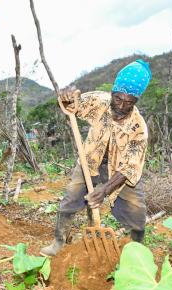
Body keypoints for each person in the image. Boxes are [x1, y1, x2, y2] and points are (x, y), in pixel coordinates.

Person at [40, 59, 152, 257]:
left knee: (136, 211)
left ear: (136, 101)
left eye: (129, 102)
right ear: (113, 93)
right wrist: (68, 96)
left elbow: (130, 167)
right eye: (118, 98)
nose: (122, 105)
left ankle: (136, 252)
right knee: (70, 199)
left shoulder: (139, 128)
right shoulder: (99, 102)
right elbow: (73, 105)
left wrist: (105, 189)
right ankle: (58, 242)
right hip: (89, 162)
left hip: (120, 173)